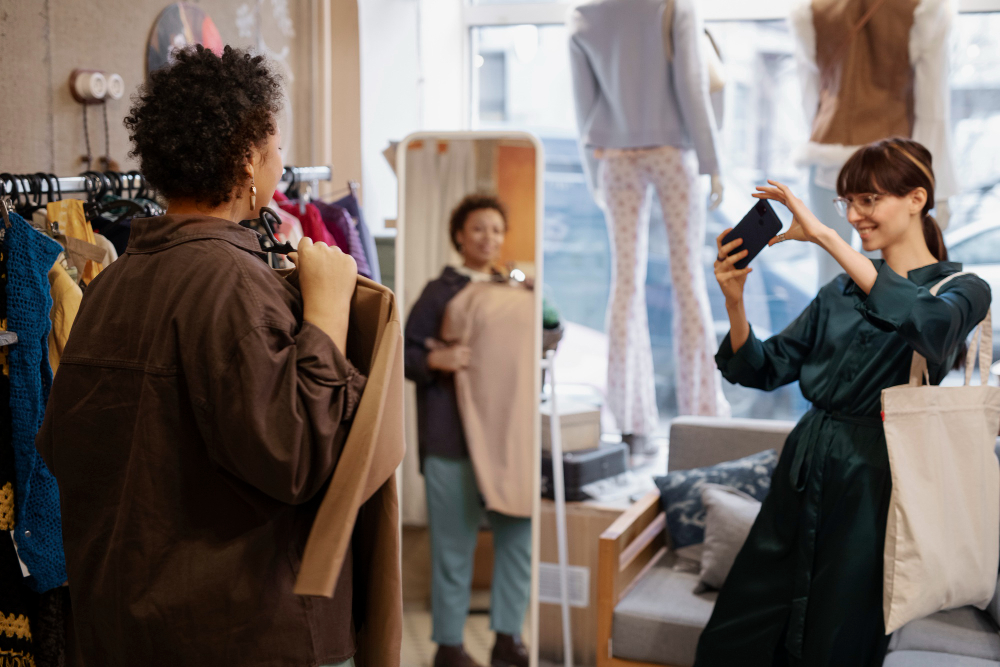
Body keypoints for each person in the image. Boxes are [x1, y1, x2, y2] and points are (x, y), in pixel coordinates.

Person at [36, 46, 366, 667]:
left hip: (121, 628)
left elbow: (61, 449)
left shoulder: (109, 286)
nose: (280, 162)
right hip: (239, 633)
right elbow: (295, 458)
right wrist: (327, 313)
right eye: (275, 147)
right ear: (248, 160)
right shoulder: (237, 287)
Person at [694, 137, 992, 666]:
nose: (854, 215)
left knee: (839, 635)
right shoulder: (838, 292)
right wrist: (735, 302)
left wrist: (827, 237)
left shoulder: (964, 289)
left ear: (917, 199)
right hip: (803, 465)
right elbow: (765, 367)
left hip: (877, 479)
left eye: (868, 200)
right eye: (847, 203)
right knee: (739, 629)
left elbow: (931, 326)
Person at [404, 194, 531, 667]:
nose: (488, 238)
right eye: (478, 228)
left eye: (496, 229)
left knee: (518, 536)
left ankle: (508, 640)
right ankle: (449, 647)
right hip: (450, 436)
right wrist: (436, 358)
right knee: (453, 547)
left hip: (509, 437)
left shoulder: (518, 287)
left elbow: (547, 336)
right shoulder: (439, 291)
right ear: (459, 235)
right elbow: (403, 352)